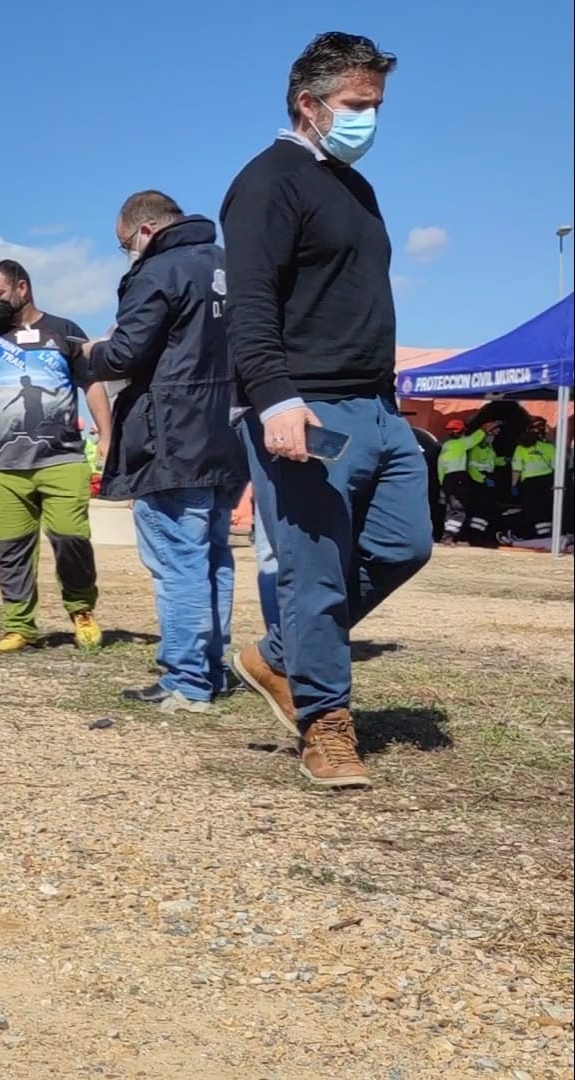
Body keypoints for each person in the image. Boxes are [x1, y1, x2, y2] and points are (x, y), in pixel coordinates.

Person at [223, 31, 428, 789]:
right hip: (308, 407)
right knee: (314, 574)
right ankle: (325, 725)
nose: (369, 119)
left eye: (376, 105)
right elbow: (247, 302)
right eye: (356, 105)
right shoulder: (268, 180)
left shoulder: (354, 188)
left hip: (377, 407)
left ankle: (280, 656)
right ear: (309, 105)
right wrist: (275, 398)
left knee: (406, 546)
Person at [84, 191, 248, 712]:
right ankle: (213, 668)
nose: (126, 253)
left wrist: (91, 353)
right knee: (214, 556)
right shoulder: (232, 266)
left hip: (171, 434)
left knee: (177, 558)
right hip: (228, 431)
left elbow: (128, 352)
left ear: (146, 230)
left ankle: (186, 679)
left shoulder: (158, 272)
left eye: (123, 244)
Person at [0, 261, 111, 654]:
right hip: (5, 466)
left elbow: (91, 384)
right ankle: (20, 626)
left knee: (71, 538)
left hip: (62, 459)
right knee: (12, 549)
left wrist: (107, 433)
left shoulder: (64, 332)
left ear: (22, 288)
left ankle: (81, 611)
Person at [513, 417, 557, 541]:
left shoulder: (521, 448)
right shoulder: (549, 448)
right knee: (546, 507)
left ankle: (533, 534)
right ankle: (546, 535)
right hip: (547, 481)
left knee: (532, 508)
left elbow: (517, 468)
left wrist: (513, 485)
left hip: (529, 483)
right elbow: (556, 466)